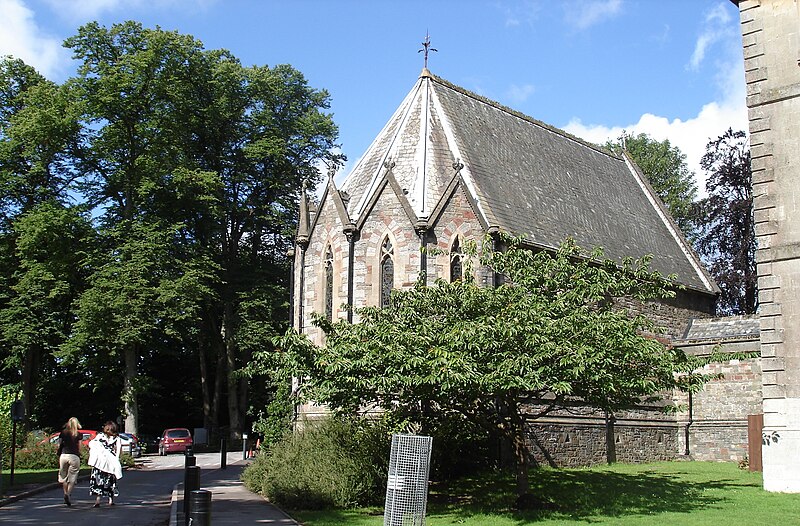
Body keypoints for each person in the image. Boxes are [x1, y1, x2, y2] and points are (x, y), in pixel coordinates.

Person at [88, 420, 123, 507]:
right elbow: (118, 451)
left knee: (98, 481)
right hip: (110, 463)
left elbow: (92, 445)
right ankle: (110, 500)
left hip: (100, 462)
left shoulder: (100, 436)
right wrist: (116, 461)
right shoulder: (117, 439)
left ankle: (98, 500)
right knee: (110, 481)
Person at [57, 417, 82, 507]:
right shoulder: (78, 434)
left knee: (64, 476)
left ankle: (65, 493)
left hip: (63, 456)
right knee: (72, 477)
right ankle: (68, 494)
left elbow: (59, 444)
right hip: (74, 456)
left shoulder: (63, 433)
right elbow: (80, 446)